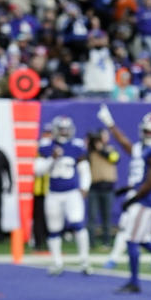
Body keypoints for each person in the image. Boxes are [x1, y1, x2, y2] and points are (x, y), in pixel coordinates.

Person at [97, 104, 151, 293]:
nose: (148, 134)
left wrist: (133, 198)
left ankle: (135, 282)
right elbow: (143, 177)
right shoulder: (146, 149)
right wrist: (127, 190)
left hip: (145, 200)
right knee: (143, 239)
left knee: (131, 239)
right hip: (144, 197)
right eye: (146, 131)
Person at [32, 116, 92, 274]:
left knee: (78, 224)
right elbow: (38, 170)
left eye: (66, 129)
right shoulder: (46, 146)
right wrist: (52, 158)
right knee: (54, 229)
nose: (64, 133)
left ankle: (84, 261)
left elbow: (84, 169)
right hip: (53, 193)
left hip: (72, 192)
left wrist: (85, 187)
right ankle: (57, 262)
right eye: (62, 129)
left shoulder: (76, 146)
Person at [87, 128, 120, 248]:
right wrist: (91, 144)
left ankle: (106, 242)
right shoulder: (91, 151)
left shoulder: (111, 149)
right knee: (92, 216)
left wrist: (101, 149)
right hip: (94, 187)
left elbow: (115, 158)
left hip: (108, 188)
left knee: (107, 217)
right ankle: (91, 243)